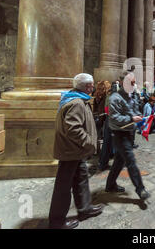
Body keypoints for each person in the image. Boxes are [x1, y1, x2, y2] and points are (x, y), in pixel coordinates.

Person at [49, 73, 103, 229]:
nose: (93, 87)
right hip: (71, 151)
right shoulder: (77, 103)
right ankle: (57, 222)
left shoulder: (76, 98)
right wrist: (88, 142)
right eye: (92, 85)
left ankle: (84, 209)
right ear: (87, 87)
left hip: (75, 151)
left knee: (81, 178)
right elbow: (73, 128)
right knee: (63, 186)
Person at [105, 72, 150, 200]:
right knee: (130, 160)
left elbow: (134, 110)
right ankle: (140, 189)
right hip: (120, 133)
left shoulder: (132, 96)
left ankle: (110, 184)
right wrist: (131, 118)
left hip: (129, 132)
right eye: (131, 82)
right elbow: (114, 118)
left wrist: (140, 116)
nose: (134, 84)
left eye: (134, 82)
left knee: (119, 161)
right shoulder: (115, 98)